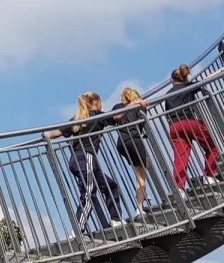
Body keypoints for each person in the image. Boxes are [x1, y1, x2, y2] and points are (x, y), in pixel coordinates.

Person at [46, 92, 123, 232]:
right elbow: (117, 115)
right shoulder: (98, 116)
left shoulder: (77, 119)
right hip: (86, 159)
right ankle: (78, 231)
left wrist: (45, 135)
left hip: (78, 160)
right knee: (89, 194)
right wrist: (133, 103)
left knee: (110, 186)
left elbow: (57, 133)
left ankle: (116, 219)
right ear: (96, 102)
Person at [162, 63, 224, 190]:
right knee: (212, 148)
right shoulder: (188, 86)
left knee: (180, 158)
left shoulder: (167, 94)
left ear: (172, 80)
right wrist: (222, 69)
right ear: (184, 77)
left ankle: (179, 189)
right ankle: (209, 175)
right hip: (190, 122)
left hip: (174, 126)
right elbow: (207, 79)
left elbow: (167, 113)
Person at [111, 88, 152, 213]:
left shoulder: (117, 106)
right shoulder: (139, 106)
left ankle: (142, 194)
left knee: (143, 168)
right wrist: (139, 103)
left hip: (122, 143)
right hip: (135, 140)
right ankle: (140, 206)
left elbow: (114, 117)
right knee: (141, 175)